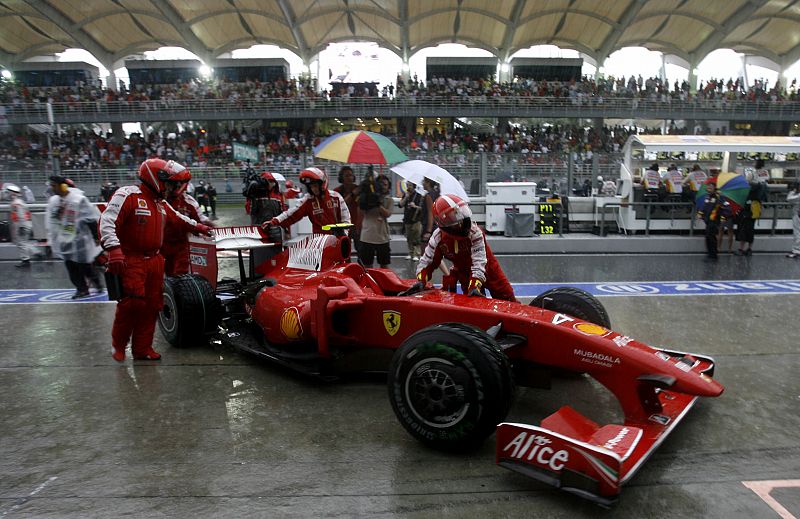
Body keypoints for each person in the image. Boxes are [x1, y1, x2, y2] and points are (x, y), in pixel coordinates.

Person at [100, 158, 213, 362]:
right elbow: (107, 220)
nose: (172, 187)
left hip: (155, 260)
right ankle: (119, 345)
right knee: (131, 305)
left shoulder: (160, 203)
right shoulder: (128, 195)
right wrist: (113, 248)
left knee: (153, 305)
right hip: (131, 260)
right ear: (156, 178)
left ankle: (142, 349)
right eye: (170, 182)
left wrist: (200, 227)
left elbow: (178, 218)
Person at [415, 194, 516, 302]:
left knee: (509, 299)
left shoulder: (475, 232)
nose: (461, 221)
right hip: (465, 274)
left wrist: (474, 285)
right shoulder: (438, 237)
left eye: (459, 213)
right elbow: (427, 261)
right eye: (453, 216)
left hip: (489, 269)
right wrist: (421, 280)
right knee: (474, 307)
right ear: (444, 222)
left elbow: (479, 262)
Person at [46, 175, 104, 298]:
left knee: (84, 266)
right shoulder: (54, 201)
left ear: (63, 185)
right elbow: (52, 222)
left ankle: (97, 283)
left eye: (54, 186)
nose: (52, 188)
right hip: (64, 240)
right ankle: (81, 289)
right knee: (71, 267)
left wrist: (96, 237)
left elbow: (90, 219)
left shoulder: (78, 200)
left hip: (79, 240)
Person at [265, 167, 350, 234]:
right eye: (311, 186)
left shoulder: (336, 197)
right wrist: (274, 222)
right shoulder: (308, 200)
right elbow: (291, 213)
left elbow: (346, 219)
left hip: (339, 240)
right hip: (319, 242)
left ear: (322, 183)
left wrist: (344, 234)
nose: (314, 189)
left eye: (315, 185)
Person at [162, 170, 214, 277]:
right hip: (161, 245)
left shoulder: (189, 202)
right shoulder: (159, 198)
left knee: (180, 276)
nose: (172, 186)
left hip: (181, 245)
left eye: (175, 183)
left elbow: (201, 219)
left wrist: (208, 225)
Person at [358, 174, 392, 268]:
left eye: (385, 184)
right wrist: (367, 199)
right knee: (367, 265)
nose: (382, 186)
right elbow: (361, 211)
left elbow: (388, 214)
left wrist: (378, 204)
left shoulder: (389, 200)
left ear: (389, 186)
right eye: (380, 184)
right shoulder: (367, 197)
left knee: (384, 265)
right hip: (367, 236)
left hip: (382, 237)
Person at [243, 171, 286, 244]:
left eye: (273, 182)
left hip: (275, 230)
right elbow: (249, 211)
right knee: (258, 252)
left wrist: (286, 229)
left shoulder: (278, 195)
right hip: (258, 230)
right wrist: (251, 197)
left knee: (276, 252)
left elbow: (283, 213)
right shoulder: (256, 195)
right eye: (270, 181)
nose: (272, 184)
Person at [4, 183, 36, 268]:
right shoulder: (17, 202)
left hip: (22, 224)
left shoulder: (16, 203)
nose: (7, 194)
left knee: (22, 243)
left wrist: (21, 227)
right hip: (22, 224)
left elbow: (21, 215)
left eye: (8, 192)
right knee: (22, 243)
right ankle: (35, 253)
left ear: (13, 193)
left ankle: (26, 261)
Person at [734, 179, 767, 256]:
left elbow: (743, 205)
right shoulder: (757, 194)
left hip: (746, 215)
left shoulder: (747, 194)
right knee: (750, 232)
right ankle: (749, 249)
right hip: (753, 215)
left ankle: (741, 249)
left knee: (743, 232)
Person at [334, 166, 361, 250]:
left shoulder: (358, 189)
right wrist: (352, 194)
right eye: (347, 175)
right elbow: (341, 205)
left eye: (351, 175)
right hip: (343, 225)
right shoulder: (337, 191)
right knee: (344, 250)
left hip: (356, 224)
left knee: (361, 251)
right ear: (341, 178)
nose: (350, 177)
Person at [696, 179, 724, 261]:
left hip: (714, 221)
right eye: (708, 188)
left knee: (711, 238)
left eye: (710, 188)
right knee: (708, 237)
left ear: (714, 189)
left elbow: (722, 208)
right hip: (708, 221)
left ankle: (713, 255)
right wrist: (701, 215)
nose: (709, 189)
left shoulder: (718, 198)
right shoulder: (707, 197)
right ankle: (710, 254)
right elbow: (705, 208)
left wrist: (721, 218)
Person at [399, 181, 424, 260]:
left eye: (410, 185)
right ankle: (410, 253)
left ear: (414, 186)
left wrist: (415, 206)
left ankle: (417, 254)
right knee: (409, 237)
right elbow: (400, 205)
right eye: (407, 185)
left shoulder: (419, 196)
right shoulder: (406, 195)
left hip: (416, 219)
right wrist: (406, 197)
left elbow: (422, 208)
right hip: (407, 219)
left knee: (416, 237)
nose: (408, 187)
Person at [787, 182, 800, 259]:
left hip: (797, 215)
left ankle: (796, 250)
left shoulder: (798, 195)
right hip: (797, 214)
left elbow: (789, 199)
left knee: (797, 233)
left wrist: (792, 191)